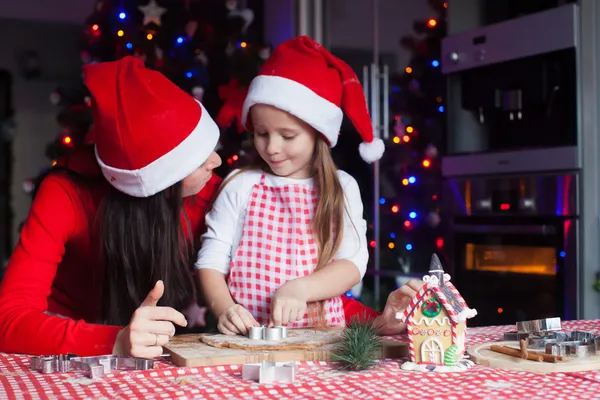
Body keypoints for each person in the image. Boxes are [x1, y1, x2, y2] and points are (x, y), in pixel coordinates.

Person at [0, 56, 419, 358]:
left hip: (156, 358)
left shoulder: (212, 192)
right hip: (63, 357)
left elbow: (290, 288)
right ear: (159, 182)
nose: (217, 162)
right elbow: (9, 321)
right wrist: (113, 340)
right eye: (198, 158)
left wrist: (378, 322)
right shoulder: (65, 195)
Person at [196, 36, 389, 335]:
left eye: (287, 136)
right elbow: (211, 259)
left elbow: (352, 264)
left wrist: (301, 289)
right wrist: (225, 308)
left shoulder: (341, 188)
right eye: (261, 133)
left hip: (323, 339)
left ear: (318, 134)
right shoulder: (239, 185)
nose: (271, 147)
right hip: (249, 340)